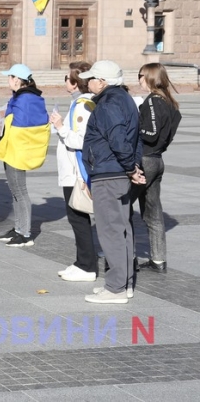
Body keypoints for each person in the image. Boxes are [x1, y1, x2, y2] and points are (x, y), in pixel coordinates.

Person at [80, 60, 145, 304]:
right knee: (122, 229)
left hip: (110, 173)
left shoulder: (109, 103)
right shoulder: (125, 99)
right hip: (117, 171)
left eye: (92, 78)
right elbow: (136, 138)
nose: (89, 82)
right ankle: (124, 283)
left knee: (110, 231)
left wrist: (130, 167)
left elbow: (119, 139)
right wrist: (133, 167)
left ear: (103, 81)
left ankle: (116, 288)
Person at [0, 64, 50, 248]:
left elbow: (21, 127)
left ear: (17, 79)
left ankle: (25, 234)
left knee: (20, 191)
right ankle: (18, 228)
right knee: (15, 191)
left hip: (18, 149)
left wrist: (4, 132)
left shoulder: (25, 99)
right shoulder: (26, 97)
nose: (8, 80)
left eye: (9, 77)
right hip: (13, 147)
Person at [132, 63, 182, 274]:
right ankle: (158, 260)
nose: (139, 80)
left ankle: (125, 256)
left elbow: (150, 133)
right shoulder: (170, 102)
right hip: (157, 159)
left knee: (122, 206)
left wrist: (132, 128)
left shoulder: (153, 101)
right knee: (153, 212)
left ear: (151, 77)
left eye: (140, 76)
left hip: (145, 160)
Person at [49, 62, 96, 282]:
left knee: (78, 216)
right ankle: (81, 262)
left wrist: (60, 127)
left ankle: (87, 266)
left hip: (76, 171)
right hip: (72, 169)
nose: (65, 82)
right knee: (76, 217)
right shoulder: (77, 103)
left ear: (75, 82)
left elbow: (80, 140)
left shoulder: (82, 105)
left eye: (67, 79)